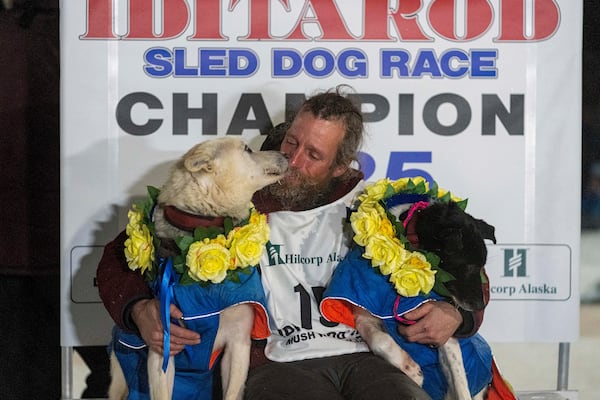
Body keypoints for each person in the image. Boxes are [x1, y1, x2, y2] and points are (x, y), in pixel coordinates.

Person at [97, 86, 488, 399]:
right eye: (291, 142)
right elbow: (122, 253)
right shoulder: (234, 198)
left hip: (369, 357)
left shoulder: (378, 208)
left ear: (341, 166)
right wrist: (139, 308)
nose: (294, 161)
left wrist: (456, 312)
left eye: (313, 154)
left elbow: (465, 258)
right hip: (277, 365)